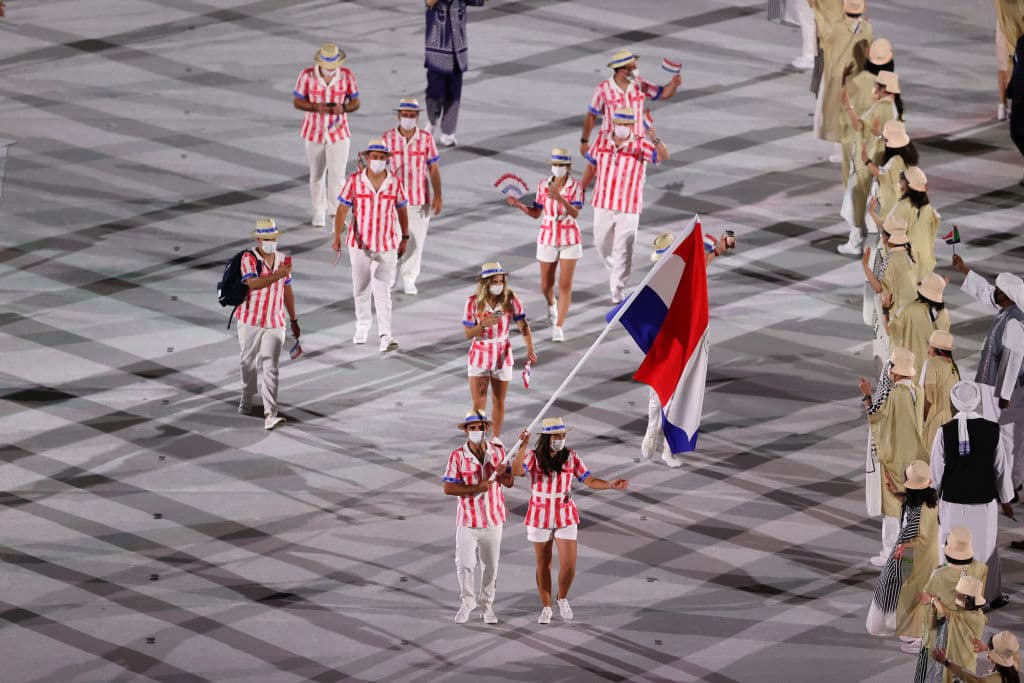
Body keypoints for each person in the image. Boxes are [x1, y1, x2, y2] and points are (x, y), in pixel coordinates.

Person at [510, 418, 630, 624]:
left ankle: (562, 598)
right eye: (557, 436)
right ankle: (546, 607)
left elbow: (589, 479)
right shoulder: (533, 456)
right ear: (547, 437)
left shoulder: (571, 456)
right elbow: (516, 471)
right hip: (539, 514)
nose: (561, 440)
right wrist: (522, 446)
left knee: (569, 565)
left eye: (563, 436)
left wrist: (610, 484)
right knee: (543, 564)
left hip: (565, 513)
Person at [642, 230, 734, 467]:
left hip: (676, 339)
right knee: (671, 391)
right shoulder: (670, 275)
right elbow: (698, 269)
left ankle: (660, 438)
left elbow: (699, 268)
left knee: (666, 390)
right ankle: (661, 441)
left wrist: (715, 251)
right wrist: (715, 251)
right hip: (674, 339)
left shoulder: (673, 273)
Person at [931, 380, 1015, 607]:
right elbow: (1000, 468)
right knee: (986, 551)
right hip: (984, 502)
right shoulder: (992, 429)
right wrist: (1006, 499)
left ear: (954, 401)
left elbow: (936, 472)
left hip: (952, 502)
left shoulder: (944, 431)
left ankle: (949, 596)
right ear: (977, 400)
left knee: (950, 550)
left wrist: (931, 497)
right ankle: (989, 597)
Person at [580, 107, 668, 303]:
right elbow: (591, 164)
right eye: (619, 123)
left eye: (626, 124)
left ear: (631, 125)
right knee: (601, 243)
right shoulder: (602, 140)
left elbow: (663, 156)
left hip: (629, 205)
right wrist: (582, 186)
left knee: (624, 248)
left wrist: (655, 138)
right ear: (613, 123)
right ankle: (617, 270)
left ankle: (617, 291)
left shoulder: (640, 144)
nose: (622, 127)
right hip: (603, 201)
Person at [952, 256, 1024, 489]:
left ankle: (1010, 485)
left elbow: (1014, 359)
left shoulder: (1013, 321)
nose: (995, 293)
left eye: (1000, 291)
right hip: (996, 387)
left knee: (1009, 438)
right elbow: (986, 292)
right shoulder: (1007, 309)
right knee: (1005, 437)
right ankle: (1009, 482)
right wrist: (965, 270)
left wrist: (1004, 394)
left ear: (1009, 296)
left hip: (1006, 391)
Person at [333, 139, 409, 352]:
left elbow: (402, 210)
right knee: (361, 287)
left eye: (382, 157)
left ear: (387, 159)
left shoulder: (394, 183)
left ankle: (386, 334)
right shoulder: (355, 181)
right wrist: (337, 235)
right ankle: (362, 325)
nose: (377, 160)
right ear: (367, 158)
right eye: (374, 156)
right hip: (359, 244)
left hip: (387, 244)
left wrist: (404, 237)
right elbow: (342, 209)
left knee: (382, 289)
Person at [441, 409, 514, 624]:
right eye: (472, 428)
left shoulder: (499, 452)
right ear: (466, 431)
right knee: (464, 564)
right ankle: (467, 602)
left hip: (493, 519)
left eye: (480, 427)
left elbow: (509, 482)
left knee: (490, 566)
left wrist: (503, 474)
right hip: (468, 520)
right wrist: (477, 487)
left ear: (486, 429)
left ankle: (486, 606)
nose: (476, 431)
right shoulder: (457, 456)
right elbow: (448, 488)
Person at [505, 149, 584, 342]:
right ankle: (551, 304)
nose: (557, 168)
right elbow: (536, 213)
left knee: (565, 285)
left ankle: (559, 326)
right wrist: (519, 205)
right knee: (546, 285)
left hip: (569, 237)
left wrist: (560, 198)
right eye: (555, 165)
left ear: (568, 167)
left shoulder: (576, 186)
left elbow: (575, 213)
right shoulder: (542, 185)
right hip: (547, 236)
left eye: (561, 165)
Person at [860, 347, 928, 566]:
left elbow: (879, 422)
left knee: (892, 508)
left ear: (895, 371)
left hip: (896, 458)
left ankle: (890, 554)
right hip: (914, 457)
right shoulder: (917, 390)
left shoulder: (897, 394)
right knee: (911, 508)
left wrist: (867, 395)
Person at [235, 219, 300, 431]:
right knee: (248, 363)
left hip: (274, 322)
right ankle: (247, 395)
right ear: (258, 239)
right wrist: (277, 275)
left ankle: (270, 414)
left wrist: (294, 319)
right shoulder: (248, 258)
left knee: (271, 365)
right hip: (250, 321)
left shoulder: (282, 260)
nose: (271, 242)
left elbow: (287, 291)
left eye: (274, 239)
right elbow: (253, 283)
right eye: (267, 239)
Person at [462, 262, 537, 441]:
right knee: (479, 401)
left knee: (498, 399)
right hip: (480, 352)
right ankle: (478, 439)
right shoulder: (473, 302)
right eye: (495, 281)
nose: (499, 285)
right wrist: (482, 325)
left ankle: (495, 439)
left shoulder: (510, 299)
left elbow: (523, 324)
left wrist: (530, 349)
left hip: (502, 353)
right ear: (486, 283)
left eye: (501, 281)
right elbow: (468, 333)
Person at [866, 460, 937, 638]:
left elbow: (922, 540)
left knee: (901, 587)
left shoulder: (926, 510)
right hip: (905, 555)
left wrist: (903, 546)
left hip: (913, 558)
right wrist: (891, 490)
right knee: (898, 586)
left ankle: (901, 628)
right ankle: (898, 626)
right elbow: (906, 501)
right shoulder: (921, 500)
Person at [293, 44, 360, 228]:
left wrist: (344, 108)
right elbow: (297, 100)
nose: (331, 69)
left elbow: (356, 101)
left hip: (338, 133)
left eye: (334, 65)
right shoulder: (307, 76)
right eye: (328, 65)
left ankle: (335, 213)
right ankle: (318, 211)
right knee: (316, 174)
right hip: (313, 132)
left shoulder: (346, 76)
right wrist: (315, 107)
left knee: (338, 176)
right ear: (320, 63)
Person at [382, 97, 442, 295]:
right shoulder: (387, 138)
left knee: (417, 240)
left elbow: (433, 168)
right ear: (398, 116)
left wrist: (438, 195)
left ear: (417, 117)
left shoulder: (426, 139)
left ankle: (409, 278)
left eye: (412, 116)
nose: (408, 118)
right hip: (393, 199)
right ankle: (391, 274)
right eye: (405, 115)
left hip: (418, 199)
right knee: (392, 239)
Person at [837, 69, 902, 254]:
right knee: (868, 199)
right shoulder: (892, 108)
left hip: (867, 159)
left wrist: (848, 106)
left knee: (856, 198)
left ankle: (855, 241)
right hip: (879, 157)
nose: (873, 89)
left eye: (876, 87)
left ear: (884, 90)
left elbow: (860, 126)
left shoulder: (881, 108)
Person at [579, 49, 682, 156]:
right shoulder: (603, 89)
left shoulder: (640, 84)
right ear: (621, 70)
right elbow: (591, 116)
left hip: (636, 144)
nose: (636, 69)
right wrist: (584, 142)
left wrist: (674, 84)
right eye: (632, 67)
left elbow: (664, 93)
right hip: (611, 144)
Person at [910, 527, 989, 657]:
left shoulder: (939, 574)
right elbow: (979, 597)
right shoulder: (982, 568)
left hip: (942, 630)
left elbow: (926, 601)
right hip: (967, 629)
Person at [814, 0, 873, 160]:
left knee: (837, 114)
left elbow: (824, 36)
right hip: (857, 77)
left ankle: (842, 151)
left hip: (837, 77)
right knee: (854, 112)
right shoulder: (867, 28)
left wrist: (818, 13)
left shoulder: (837, 28)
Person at [424, 0, 485, 147]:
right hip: (437, 53)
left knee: (454, 95)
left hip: (458, 53)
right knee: (435, 93)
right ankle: (431, 121)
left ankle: (448, 132)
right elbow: (429, 2)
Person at [836, 37, 894, 191]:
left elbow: (842, 109)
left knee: (851, 190)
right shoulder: (890, 88)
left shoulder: (855, 81)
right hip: (876, 145)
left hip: (852, 141)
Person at [915, 575, 988, 683]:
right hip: (953, 663)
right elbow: (933, 626)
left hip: (960, 667)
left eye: (958, 596)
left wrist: (933, 600)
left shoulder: (972, 618)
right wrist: (933, 608)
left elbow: (946, 612)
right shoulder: (978, 616)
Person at [862, 217, 916, 339]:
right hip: (909, 313)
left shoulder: (891, 259)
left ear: (890, 237)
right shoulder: (907, 253)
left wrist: (865, 266)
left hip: (896, 317)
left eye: (884, 234)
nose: (882, 237)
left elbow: (879, 288)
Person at [888, 273, 951, 379]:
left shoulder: (910, 309)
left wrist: (886, 310)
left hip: (910, 369)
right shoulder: (944, 314)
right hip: (933, 372)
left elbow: (891, 331)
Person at [864, 120, 918, 232]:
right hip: (901, 196)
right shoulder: (907, 151)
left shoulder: (895, 160)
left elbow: (881, 175)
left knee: (887, 229)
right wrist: (878, 134)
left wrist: (866, 161)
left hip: (891, 197)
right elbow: (891, 140)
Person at [889, 166, 941, 282]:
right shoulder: (930, 211)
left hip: (908, 264)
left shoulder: (902, 207)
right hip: (926, 264)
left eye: (901, 180)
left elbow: (889, 231)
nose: (899, 183)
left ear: (908, 186)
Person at [918, 330, 961, 452]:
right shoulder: (953, 365)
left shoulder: (932, 363)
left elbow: (928, 397)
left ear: (935, 348)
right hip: (951, 419)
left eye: (930, 346)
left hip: (935, 418)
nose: (928, 350)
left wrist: (922, 420)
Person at [932, 631, 1021, 683]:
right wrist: (987, 648)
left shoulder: (992, 680)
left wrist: (946, 662)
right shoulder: (1013, 668)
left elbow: (968, 676)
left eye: (990, 650)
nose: (987, 655)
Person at [996, 0, 1024, 121]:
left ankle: (1003, 106)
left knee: (1005, 66)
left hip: (1006, 25)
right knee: (1014, 66)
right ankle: (1011, 107)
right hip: (1015, 26)